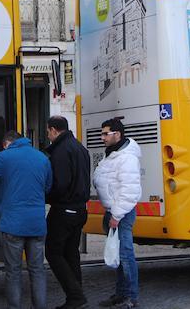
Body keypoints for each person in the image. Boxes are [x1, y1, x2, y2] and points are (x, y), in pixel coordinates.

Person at [0, 129, 53, 309]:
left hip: (13, 224)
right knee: (38, 269)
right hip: (37, 224)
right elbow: (47, 187)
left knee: (13, 271)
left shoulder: (4, 157)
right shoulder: (42, 158)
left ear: (7, 143)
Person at [92, 118, 142, 309]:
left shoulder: (126, 157)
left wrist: (116, 215)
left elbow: (129, 191)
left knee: (126, 255)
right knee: (119, 256)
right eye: (102, 133)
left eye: (106, 133)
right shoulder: (112, 154)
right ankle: (121, 294)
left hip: (121, 213)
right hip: (113, 211)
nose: (102, 137)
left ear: (117, 135)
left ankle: (131, 297)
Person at [44, 115, 91, 309]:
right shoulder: (80, 147)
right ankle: (76, 296)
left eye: (47, 132)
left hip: (64, 209)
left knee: (53, 253)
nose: (47, 135)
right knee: (71, 253)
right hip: (80, 209)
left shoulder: (60, 151)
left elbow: (61, 184)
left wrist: (48, 197)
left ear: (54, 130)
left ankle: (75, 296)